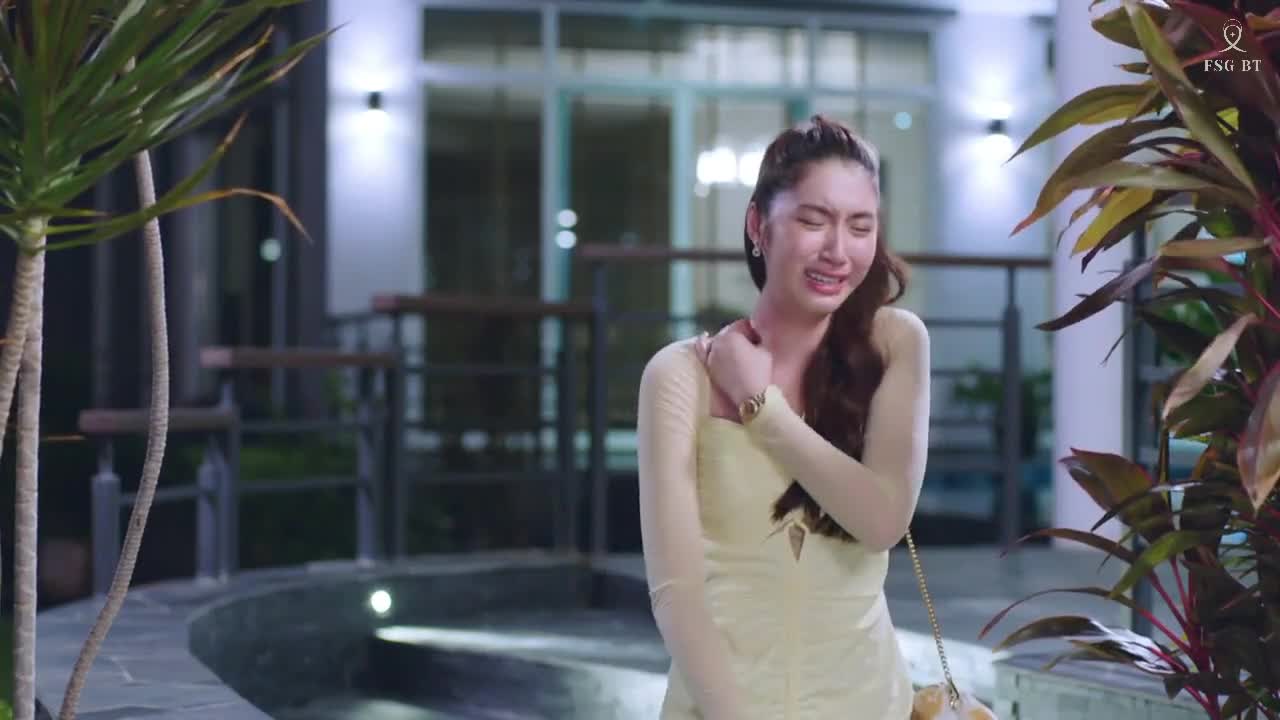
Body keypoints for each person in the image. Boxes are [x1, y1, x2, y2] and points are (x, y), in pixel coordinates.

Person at [635, 114, 931, 719]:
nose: (838, 250)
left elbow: (882, 520)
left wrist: (762, 409)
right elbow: (677, 593)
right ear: (758, 226)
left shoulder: (896, 343)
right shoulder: (679, 375)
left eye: (860, 226)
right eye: (813, 221)